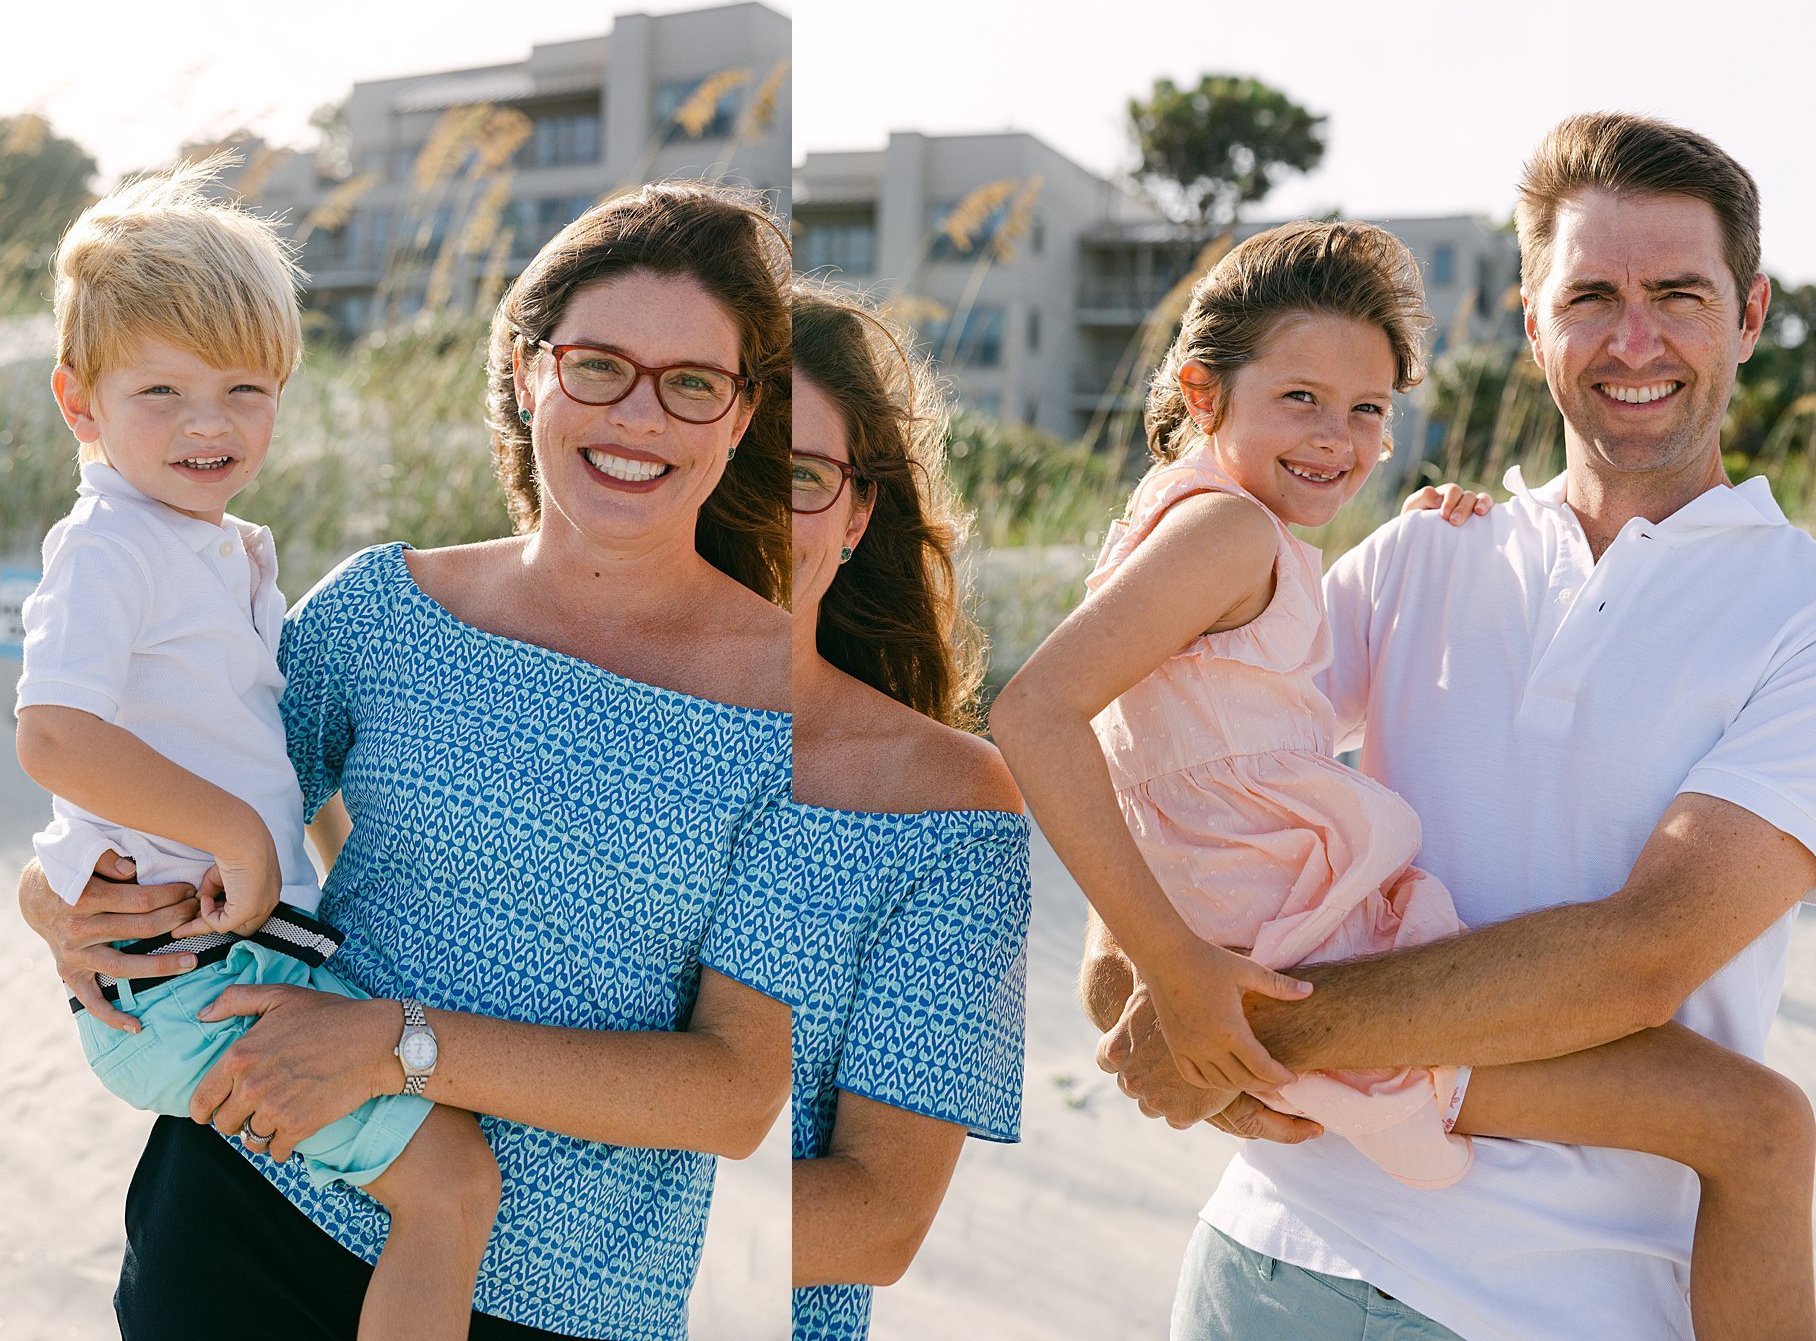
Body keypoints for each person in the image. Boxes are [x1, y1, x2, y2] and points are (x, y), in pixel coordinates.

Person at [1073, 118, 1816, 1339]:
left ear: (1745, 315)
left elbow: (1643, 957)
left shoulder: (1794, 607)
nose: (1633, 341)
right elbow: (1172, 724)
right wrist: (1137, 965)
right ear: (1531, 323)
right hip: (1265, 1259)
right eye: (1588, 297)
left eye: (1676, 295)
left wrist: (1230, 1028)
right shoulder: (1427, 545)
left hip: (1557, 1306)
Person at [20, 181, 796, 1341]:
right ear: (528, 369)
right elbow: (184, 782)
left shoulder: (801, 723)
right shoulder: (383, 611)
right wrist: (49, 900)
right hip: (242, 1219)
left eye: (689, 383)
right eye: (595, 364)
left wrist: (398, 1049)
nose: (637, 415)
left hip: (570, 1302)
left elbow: (736, 1096)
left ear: (739, 417)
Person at [14, 162, 499, 1340]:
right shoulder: (111, 545)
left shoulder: (222, 551)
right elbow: (53, 733)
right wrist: (231, 836)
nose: (209, 424)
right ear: (80, 406)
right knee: (452, 1187)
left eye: (245, 388)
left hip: (213, 961)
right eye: (162, 390)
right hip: (181, 982)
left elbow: (262, 757)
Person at [778, 287, 1030, 1341]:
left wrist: (462, 1188)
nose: (746, 509)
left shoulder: (947, 810)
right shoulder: (479, 679)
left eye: (794, 477)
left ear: (855, 514)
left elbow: (876, 1218)